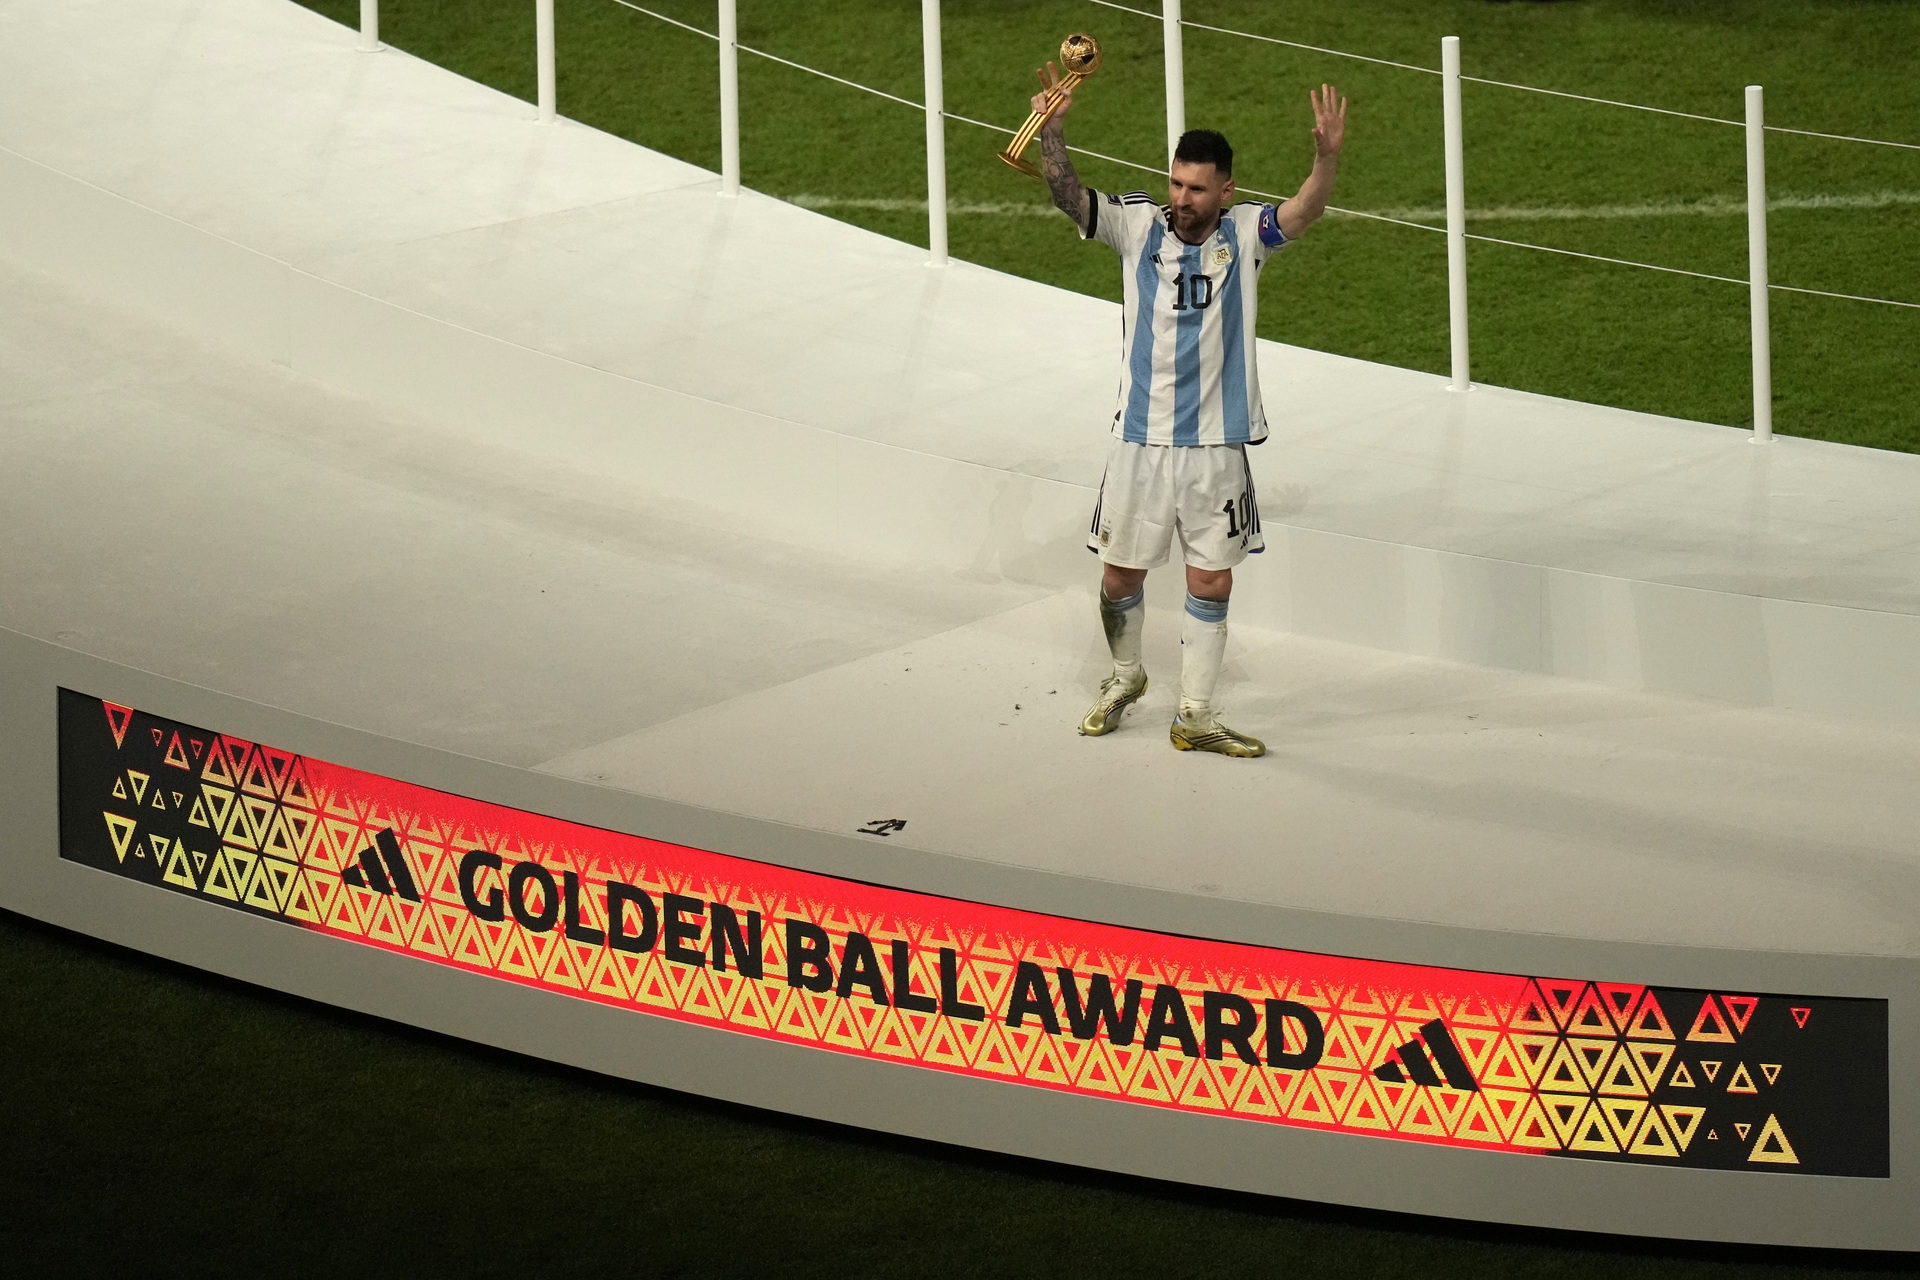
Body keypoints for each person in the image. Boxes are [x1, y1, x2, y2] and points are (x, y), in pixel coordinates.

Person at [1032, 67, 1347, 757]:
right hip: (1139, 440)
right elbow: (1068, 195)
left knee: (1211, 578)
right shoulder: (1138, 225)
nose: (1181, 198)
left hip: (1215, 443)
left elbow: (1305, 211)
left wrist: (1325, 160)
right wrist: (1052, 131)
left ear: (1225, 190)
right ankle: (1126, 677)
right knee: (1119, 574)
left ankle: (1196, 714)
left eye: (1197, 188)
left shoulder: (1247, 233)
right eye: (1176, 184)